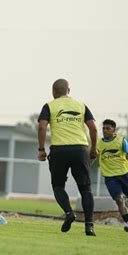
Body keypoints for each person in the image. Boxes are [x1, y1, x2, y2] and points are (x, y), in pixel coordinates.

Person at [37, 79, 97, 236]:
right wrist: (94, 149)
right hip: (80, 149)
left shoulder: (49, 106)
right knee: (85, 189)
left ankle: (69, 213)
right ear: (68, 90)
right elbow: (93, 129)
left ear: (53, 91)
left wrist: (42, 149)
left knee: (58, 186)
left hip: (60, 150)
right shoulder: (81, 105)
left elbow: (42, 126)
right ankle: (89, 225)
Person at [96, 119, 128, 232]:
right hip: (110, 178)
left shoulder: (121, 140)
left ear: (113, 130)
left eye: (108, 128)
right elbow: (93, 156)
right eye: (103, 128)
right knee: (119, 200)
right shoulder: (98, 143)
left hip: (125, 174)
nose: (105, 130)